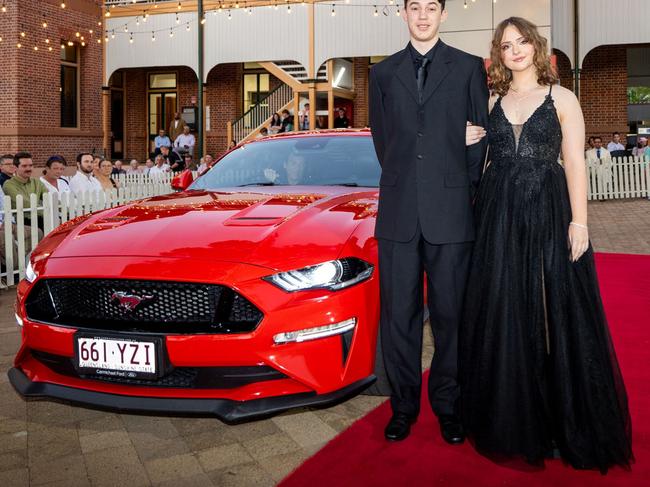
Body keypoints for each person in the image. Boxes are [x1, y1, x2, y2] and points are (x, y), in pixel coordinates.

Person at [460, 17, 633, 472]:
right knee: (505, 308)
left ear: (536, 47)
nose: (515, 51)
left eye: (522, 42)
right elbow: (482, 164)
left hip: (548, 208)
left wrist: (580, 222)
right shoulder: (492, 99)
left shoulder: (563, 98)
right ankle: (513, 414)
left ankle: (563, 417)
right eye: (505, 45)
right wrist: (465, 139)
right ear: (498, 54)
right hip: (497, 213)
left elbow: (574, 162)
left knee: (555, 306)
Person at [369, 0, 488, 444]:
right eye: (413, 7)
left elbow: (479, 141)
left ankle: (448, 404)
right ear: (402, 13)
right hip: (398, 213)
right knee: (398, 317)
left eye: (431, 7)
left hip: (452, 213)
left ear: (443, 14)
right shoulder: (382, 74)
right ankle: (403, 406)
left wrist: (457, 181)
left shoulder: (468, 67)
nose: (422, 15)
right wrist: (443, 143)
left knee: (450, 316)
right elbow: (387, 144)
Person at [3, 152, 48, 229]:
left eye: (30, 165)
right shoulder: (8, 185)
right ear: (15, 167)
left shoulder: (37, 182)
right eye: (24, 166)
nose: (28, 169)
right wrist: (48, 213)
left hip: (40, 216)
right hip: (22, 221)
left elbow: (48, 197)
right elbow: (25, 203)